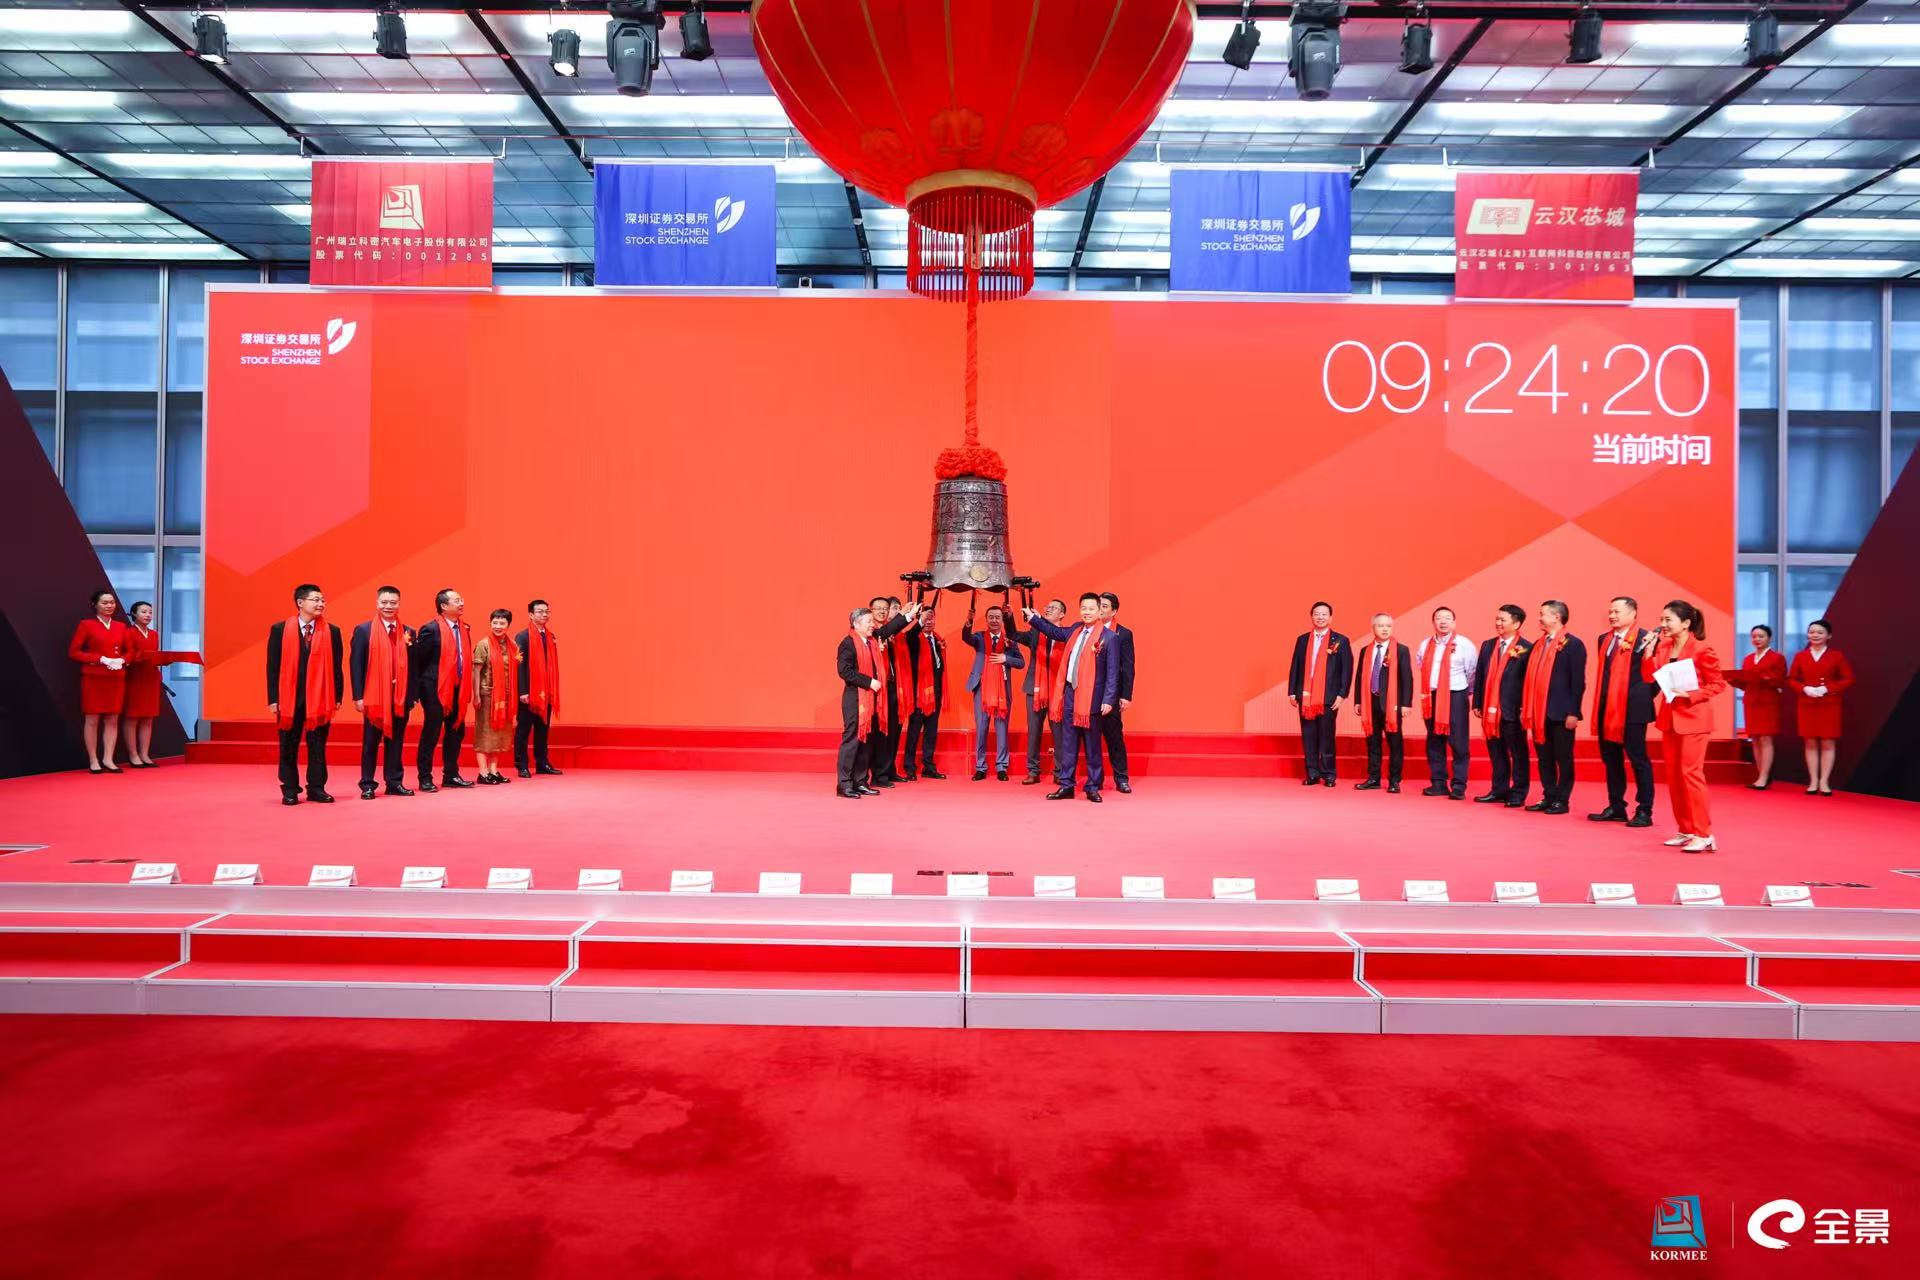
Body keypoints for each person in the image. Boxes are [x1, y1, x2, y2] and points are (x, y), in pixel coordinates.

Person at [1640, 600, 1727, 853]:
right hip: (1670, 718)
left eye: (1668, 620)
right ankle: (1686, 829)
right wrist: (1648, 653)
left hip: (1694, 718)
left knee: (1691, 774)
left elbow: (1718, 684)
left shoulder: (1701, 649)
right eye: (1662, 619)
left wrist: (1691, 694)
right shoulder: (1664, 646)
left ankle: (1704, 833)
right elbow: (1648, 677)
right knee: (1675, 776)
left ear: (1686, 623)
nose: (1663, 624)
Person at [1022, 593, 1119, 803]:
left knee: (1092, 746)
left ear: (1099, 611)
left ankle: (1092, 786)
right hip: (1069, 694)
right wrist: (1034, 618)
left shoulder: (1109, 638)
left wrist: (1108, 699)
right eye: (1083, 608)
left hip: (1092, 698)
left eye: (1091, 609)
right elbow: (1053, 631)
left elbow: (1112, 673)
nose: (1087, 612)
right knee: (1068, 743)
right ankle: (1066, 785)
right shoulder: (1074, 631)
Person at [265, 583, 343, 806]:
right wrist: (273, 699)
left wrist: (337, 696)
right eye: (315, 600)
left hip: (321, 698)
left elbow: (337, 667)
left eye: (322, 600)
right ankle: (290, 789)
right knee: (288, 746)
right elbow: (272, 667)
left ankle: (316, 788)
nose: (321, 604)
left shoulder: (332, 631)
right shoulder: (280, 629)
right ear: (300, 602)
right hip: (290, 699)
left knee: (318, 746)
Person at [1588, 596, 1656, 829]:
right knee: (1611, 759)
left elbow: (1654, 674)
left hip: (1633, 710)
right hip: (1606, 708)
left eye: (1617, 612)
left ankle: (1644, 809)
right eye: (1610, 612)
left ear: (1633, 613)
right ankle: (1616, 805)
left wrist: (1641, 698)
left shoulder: (1646, 638)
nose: (1612, 616)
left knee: (1638, 760)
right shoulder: (1604, 639)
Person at [1522, 600, 1587, 815]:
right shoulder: (1538, 644)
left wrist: (1573, 712)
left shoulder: (1573, 645)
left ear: (1556, 617)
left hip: (1561, 713)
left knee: (1563, 758)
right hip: (1539, 712)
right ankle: (1549, 796)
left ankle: (1562, 799)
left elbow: (1578, 682)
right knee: (1544, 758)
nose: (1539, 618)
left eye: (1543, 614)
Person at [350, 586, 414, 799]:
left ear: (399, 604)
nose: (389, 606)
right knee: (370, 743)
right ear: (377, 603)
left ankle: (394, 782)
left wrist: (411, 696)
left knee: (396, 742)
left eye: (393, 603)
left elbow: (414, 667)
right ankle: (367, 784)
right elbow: (356, 665)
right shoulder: (364, 630)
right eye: (384, 602)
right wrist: (358, 696)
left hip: (400, 698)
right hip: (374, 698)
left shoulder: (408, 632)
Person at [412, 588, 474, 792]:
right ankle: (425, 777)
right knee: (432, 732)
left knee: (456, 731)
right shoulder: (430, 629)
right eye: (457, 600)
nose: (461, 603)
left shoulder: (464, 628)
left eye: (461, 599)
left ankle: (451, 774)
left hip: (458, 687)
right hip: (435, 689)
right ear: (444, 606)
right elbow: (419, 661)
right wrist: (419, 690)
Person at [1472, 604, 1533, 808]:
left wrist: (1525, 707)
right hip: (1490, 709)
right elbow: (1480, 675)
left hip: (1512, 710)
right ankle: (1499, 789)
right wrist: (1477, 702)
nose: (1498, 623)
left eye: (1503, 620)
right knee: (1496, 752)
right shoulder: (1488, 645)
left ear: (1516, 624)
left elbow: (1528, 682)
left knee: (1518, 753)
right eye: (1497, 619)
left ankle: (1518, 792)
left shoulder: (1526, 648)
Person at [1414, 607, 1477, 800]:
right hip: (1432, 696)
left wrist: (1464, 691)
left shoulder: (1464, 644)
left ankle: (1458, 785)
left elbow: (1472, 671)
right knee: (1434, 740)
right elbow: (1421, 665)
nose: (1443, 622)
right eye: (1439, 618)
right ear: (1433, 622)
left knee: (1458, 741)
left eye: (1447, 618)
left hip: (1455, 695)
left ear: (1454, 622)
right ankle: (1438, 783)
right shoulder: (1425, 644)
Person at [1287, 601, 1351, 789]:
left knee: (1327, 737)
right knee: (1309, 736)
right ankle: (1312, 773)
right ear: (1312, 616)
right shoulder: (1302, 640)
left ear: (1330, 618)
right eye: (1316, 614)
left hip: (1329, 697)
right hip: (1306, 696)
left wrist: (1342, 694)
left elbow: (1346, 670)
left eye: (1324, 614)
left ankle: (1329, 774)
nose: (1320, 617)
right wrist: (1292, 691)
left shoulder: (1340, 641)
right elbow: (1295, 666)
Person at [1789, 618, 1854, 797]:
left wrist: (1828, 688)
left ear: (1828, 635)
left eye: (1819, 632)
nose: (1815, 635)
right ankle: (1813, 780)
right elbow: (1791, 679)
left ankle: (1824, 781)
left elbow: (1848, 678)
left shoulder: (1836, 656)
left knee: (1827, 742)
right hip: (1807, 703)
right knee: (1810, 742)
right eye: (1811, 632)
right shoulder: (1800, 656)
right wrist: (1804, 688)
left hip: (1829, 704)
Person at [69, 589, 130, 775]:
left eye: (112, 602)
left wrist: (122, 660)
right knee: (93, 719)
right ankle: (93, 759)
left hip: (116, 677)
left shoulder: (121, 626)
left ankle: (108, 759)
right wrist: (100, 659)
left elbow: (131, 651)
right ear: (95, 605)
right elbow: (74, 652)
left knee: (112, 719)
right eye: (105, 602)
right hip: (94, 677)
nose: (109, 605)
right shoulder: (86, 625)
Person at [962, 602, 1026, 781]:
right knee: (982, 727)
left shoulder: (1010, 640)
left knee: (1002, 728)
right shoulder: (979, 638)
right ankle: (980, 767)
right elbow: (966, 637)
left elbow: (1021, 662)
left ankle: (1001, 767)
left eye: (998, 617)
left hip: (1002, 689)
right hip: (981, 687)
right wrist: (968, 622)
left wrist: (1006, 658)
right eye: (991, 617)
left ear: (1002, 620)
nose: (994, 620)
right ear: (986, 619)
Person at [1352, 613, 1413, 793]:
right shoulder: (1365, 651)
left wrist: (1406, 703)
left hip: (1392, 704)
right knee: (1373, 742)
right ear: (1373, 628)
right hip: (1370, 702)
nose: (1385, 629)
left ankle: (1394, 781)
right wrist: (1358, 701)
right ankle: (1373, 778)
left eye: (1388, 626)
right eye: (1381, 626)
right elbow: (1359, 678)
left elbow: (1407, 679)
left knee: (1395, 743)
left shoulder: (1401, 650)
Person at [1009, 597, 1067, 785]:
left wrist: (1037, 619)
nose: (1048, 609)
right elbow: (1013, 635)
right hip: (1035, 688)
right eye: (1047, 607)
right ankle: (1033, 771)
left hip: (1058, 691)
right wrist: (1008, 617)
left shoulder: (1067, 634)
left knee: (1059, 733)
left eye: (1053, 608)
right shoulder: (1036, 633)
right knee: (1034, 732)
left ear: (1062, 614)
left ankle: (1060, 772)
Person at [1726, 623, 1787, 789]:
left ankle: (1764, 777)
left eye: (1761, 636)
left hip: (1768, 702)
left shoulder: (1777, 658)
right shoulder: (1748, 659)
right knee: (1755, 739)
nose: (1757, 639)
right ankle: (1761, 775)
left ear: (1769, 638)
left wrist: (1766, 678)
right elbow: (1747, 685)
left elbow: (1780, 681)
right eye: (1754, 636)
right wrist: (1735, 681)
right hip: (1751, 701)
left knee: (1766, 738)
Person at [862, 596, 914, 789]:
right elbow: (885, 631)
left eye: (885, 608)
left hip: (893, 687)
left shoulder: (890, 633)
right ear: (870, 610)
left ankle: (888, 770)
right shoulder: (872, 632)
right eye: (878, 608)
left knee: (892, 732)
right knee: (881, 733)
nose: (882, 611)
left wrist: (910, 615)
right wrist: (905, 615)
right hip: (877, 689)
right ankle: (878, 774)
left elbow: (892, 630)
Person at [835, 607, 887, 798]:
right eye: (868, 621)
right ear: (856, 624)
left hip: (871, 698)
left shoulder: (871, 643)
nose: (873, 625)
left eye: (872, 621)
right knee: (852, 740)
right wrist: (869, 682)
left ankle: (860, 781)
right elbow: (844, 671)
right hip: (855, 698)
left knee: (867, 741)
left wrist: (907, 616)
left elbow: (889, 630)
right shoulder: (848, 643)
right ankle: (844, 784)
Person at [514, 599, 562, 778]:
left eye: (547, 611)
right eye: (540, 611)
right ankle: (522, 765)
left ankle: (542, 763)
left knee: (543, 729)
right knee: (523, 730)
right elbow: (519, 665)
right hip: (528, 692)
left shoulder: (549, 636)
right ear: (531, 615)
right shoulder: (522, 636)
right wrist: (523, 691)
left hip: (545, 691)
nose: (544, 614)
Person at [900, 603, 948, 780]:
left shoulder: (937, 639)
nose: (929, 621)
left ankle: (928, 766)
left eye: (931, 617)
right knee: (914, 731)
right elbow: (911, 633)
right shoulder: (914, 638)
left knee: (931, 731)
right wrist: (919, 620)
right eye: (925, 617)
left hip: (936, 692)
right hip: (919, 693)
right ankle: (909, 767)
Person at [472, 609, 520, 785]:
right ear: (490, 623)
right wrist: (476, 695)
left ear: (508, 625)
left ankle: (493, 771)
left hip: (506, 696)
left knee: (500, 733)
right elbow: (476, 671)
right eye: (495, 622)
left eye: (502, 623)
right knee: (484, 733)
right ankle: (483, 772)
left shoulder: (512, 645)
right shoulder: (483, 644)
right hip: (487, 696)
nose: (498, 626)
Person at [1097, 593, 1136, 793]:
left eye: (1104, 606)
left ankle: (1121, 778)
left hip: (1111, 694)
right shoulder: (1088, 630)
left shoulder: (1123, 634)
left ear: (1114, 611)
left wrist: (1125, 695)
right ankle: (1096, 779)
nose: (1100, 609)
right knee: (1091, 739)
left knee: (1114, 738)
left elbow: (1128, 667)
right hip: (1090, 692)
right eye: (1099, 605)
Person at [120, 600, 162, 768]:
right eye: (144, 612)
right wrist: (140, 657)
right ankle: (133, 754)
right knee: (132, 717)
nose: (148, 615)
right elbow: (128, 655)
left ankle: (145, 754)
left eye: (150, 612)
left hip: (151, 677)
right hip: (135, 676)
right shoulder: (129, 632)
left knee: (148, 718)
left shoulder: (154, 634)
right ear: (134, 614)